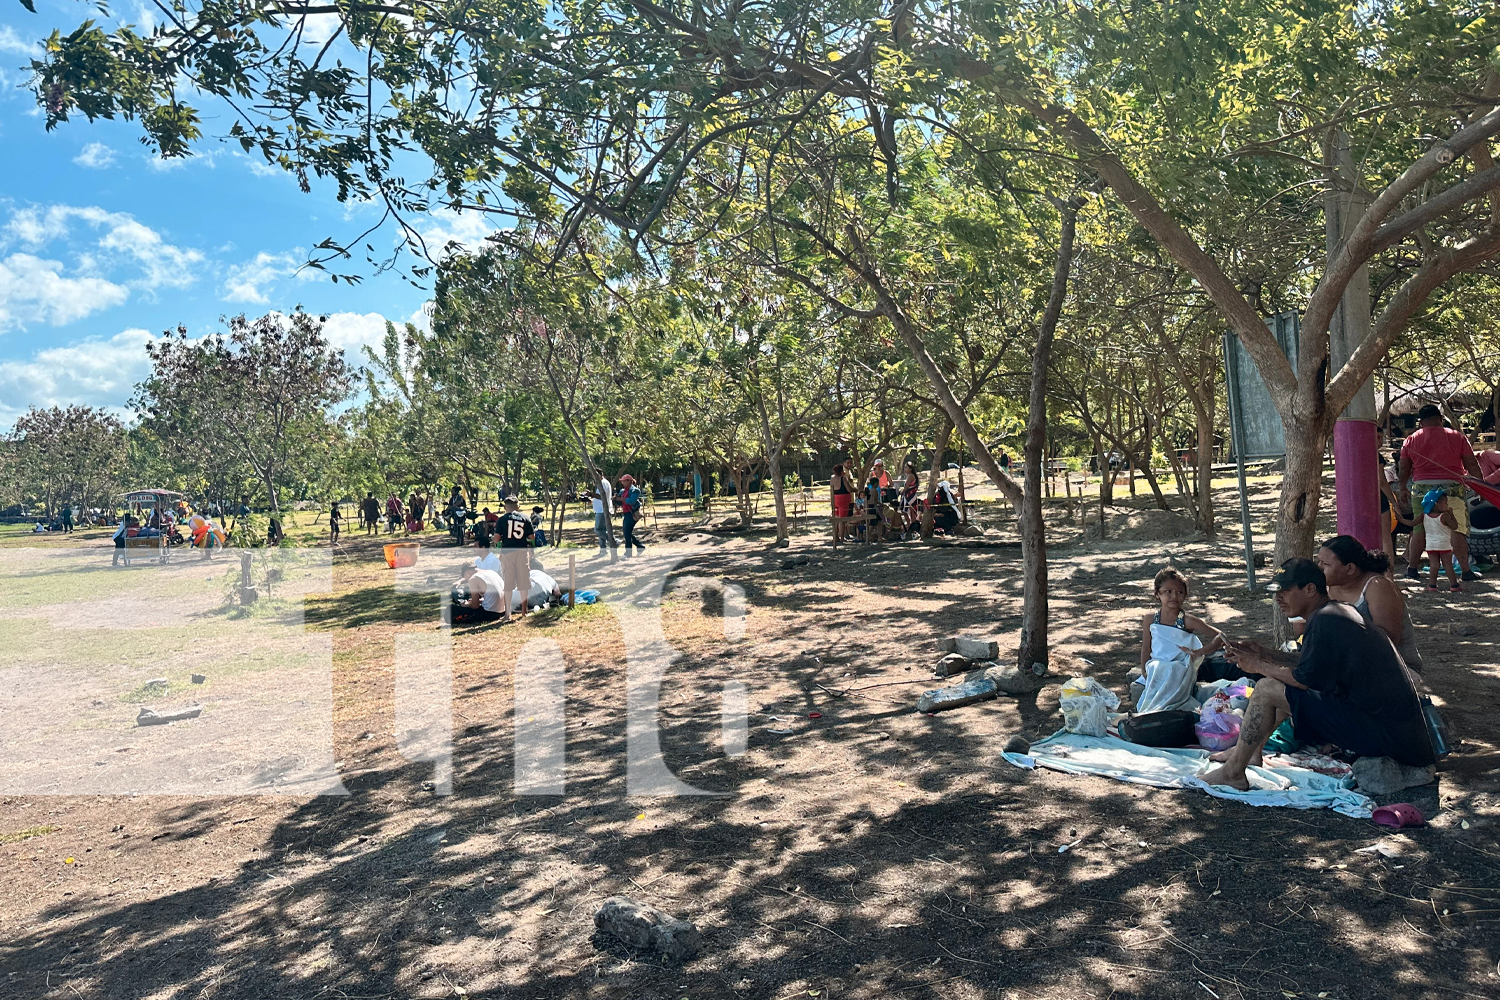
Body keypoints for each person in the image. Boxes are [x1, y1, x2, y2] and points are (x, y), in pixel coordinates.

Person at [1202, 559, 1433, 791]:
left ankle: (1233, 773)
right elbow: (1310, 665)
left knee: (1266, 689)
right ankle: (1251, 753)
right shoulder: (1333, 613)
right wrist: (1264, 654)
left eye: (1285, 591)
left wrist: (1258, 665)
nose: (1278, 599)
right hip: (1395, 733)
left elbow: (1303, 680)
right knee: (1280, 685)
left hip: (1389, 738)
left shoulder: (1326, 621)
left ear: (1310, 590)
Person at [1398, 404, 1481, 580]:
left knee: (1420, 528)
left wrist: (1403, 487)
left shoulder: (1411, 440)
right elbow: (1471, 464)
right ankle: (1466, 571)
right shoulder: (1457, 437)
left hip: (1421, 488)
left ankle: (1412, 569)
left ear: (1421, 422)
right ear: (1440, 419)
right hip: (1451, 487)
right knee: (1457, 528)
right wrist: (1480, 485)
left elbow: (1404, 467)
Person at [1316, 535, 1422, 671]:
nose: (1319, 568)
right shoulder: (1329, 586)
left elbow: (1388, 640)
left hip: (1395, 668)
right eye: (1319, 562)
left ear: (1350, 569)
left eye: (1325, 564)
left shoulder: (1378, 586)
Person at [497, 498, 533, 620]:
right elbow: (532, 536)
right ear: (517, 507)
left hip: (507, 553)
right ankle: (524, 611)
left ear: (505, 507)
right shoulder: (525, 518)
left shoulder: (502, 520)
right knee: (523, 581)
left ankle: (507, 614)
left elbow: (496, 538)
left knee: (508, 583)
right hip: (522, 552)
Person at [1421, 489, 1461, 593]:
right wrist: (1451, 515)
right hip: (1444, 545)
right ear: (1437, 504)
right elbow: (1455, 526)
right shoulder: (1444, 516)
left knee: (1434, 565)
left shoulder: (1424, 516)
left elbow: (1412, 523)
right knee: (1448, 565)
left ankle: (1432, 585)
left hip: (1430, 545)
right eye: (1445, 502)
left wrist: (1399, 518)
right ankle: (1454, 585)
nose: (1447, 505)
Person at [617, 474, 646, 555]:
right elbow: (620, 501)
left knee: (627, 533)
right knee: (627, 532)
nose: (622, 483)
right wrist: (616, 498)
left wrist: (622, 499)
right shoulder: (623, 491)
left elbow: (632, 501)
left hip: (632, 513)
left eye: (623, 481)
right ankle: (639, 546)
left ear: (629, 481)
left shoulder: (635, 490)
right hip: (626, 513)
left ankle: (628, 553)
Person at [590, 478, 615, 556]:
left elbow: (602, 496)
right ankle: (603, 551)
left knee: (598, 530)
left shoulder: (603, 483)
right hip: (600, 510)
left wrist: (591, 494)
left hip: (602, 511)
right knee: (602, 531)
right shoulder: (603, 483)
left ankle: (614, 541)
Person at [830, 463, 853, 541]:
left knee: (836, 518)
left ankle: (835, 536)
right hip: (843, 499)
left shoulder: (832, 478)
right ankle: (842, 538)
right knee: (842, 519)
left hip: (835, 499)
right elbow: (849, 489)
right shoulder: (844, 478)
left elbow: (831, 490)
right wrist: (856, 489)